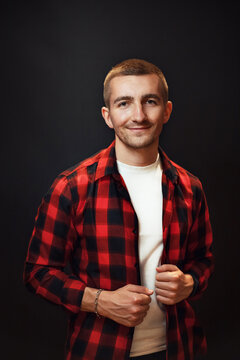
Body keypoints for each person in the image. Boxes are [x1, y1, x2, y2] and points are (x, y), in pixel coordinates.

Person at [24, 59, 214, 360]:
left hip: (180, 348)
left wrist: (189, 283)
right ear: (108, 116)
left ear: (166, 111)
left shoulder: (190, 187)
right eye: (124, 103)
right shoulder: (72, 187)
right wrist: (100, 301)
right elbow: (38, 272)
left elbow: (203, 261)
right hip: (101, 349)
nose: (138, 115)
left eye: (149, 101)